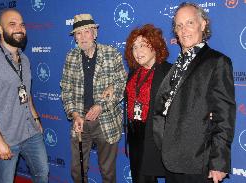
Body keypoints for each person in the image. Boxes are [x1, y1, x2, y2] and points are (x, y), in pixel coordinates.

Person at [152, 2, 236, 183]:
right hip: (170, 159)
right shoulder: (176, 65)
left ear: (203, 24)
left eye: (190, 23)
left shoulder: (217, 62)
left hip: (198, 162)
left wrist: (219, 162)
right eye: (179, 25)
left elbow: (224, 115)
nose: (184, 30)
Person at [0, 9, 49, 183]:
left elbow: (26, 92)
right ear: (0, 29)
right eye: (12, 24)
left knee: (42, 173)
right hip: (5, 136)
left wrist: (36, 119)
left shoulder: (25, 59)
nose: (19, 28)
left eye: (22, 24)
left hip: (30, 131)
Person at [60, 14, 127, 183]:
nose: (82, 37)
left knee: (107, 171)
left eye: (86, 32)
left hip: (106, 120)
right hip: (80, 120)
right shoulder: (70, 57)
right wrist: (74, 115)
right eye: (78, 33)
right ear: (74, 37)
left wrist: (100, 106)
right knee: (78, 169)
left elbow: (122, 85)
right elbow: (66, 90)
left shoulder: (112, 54)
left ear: (95, 33)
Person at [124, 24, 171, 183]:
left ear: (155, 46)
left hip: (156, 135)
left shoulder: (168, 72)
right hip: (135, 134)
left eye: (143, 45)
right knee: (139, 178)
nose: (138, 51)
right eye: (134, 47)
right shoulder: (133, 72)